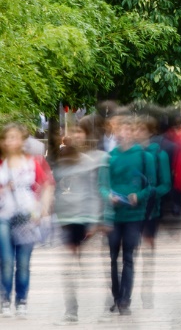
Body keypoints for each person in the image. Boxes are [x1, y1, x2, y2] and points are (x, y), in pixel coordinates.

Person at [99, 113, 155, 316]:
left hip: (134, 215)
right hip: (114, 215)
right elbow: (102, 186)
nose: (123, 133)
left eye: (128, 130)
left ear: (133, 133)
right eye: (120, 130)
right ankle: (116, 295)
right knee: (113, 258)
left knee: (129, 257)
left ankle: (125, 300)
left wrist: (138, 196)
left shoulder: (144, 157)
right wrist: (108, 196)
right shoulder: (110, 157)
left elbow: (150, 186)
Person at [0, 123, 55, 318]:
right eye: (7, 137)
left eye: (14, 137)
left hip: (27, 216)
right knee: (6, 260)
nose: (10, 141)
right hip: (3, 217)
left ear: (23, 141)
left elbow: (47, 185)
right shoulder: (1, 164)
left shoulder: (34, 162)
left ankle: (21, 300)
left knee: (23, 262)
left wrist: (44, 210)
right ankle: (4, 299)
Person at [53, 116, 104, 324]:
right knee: (69, 265)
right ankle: (71, 309)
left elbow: (94, 192)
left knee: (79, 263)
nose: (74, 137)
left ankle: (93, 298)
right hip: (66, 218)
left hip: (84, 217)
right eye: (71, 133)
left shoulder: (89, 162)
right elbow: (55, 189)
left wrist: (93, 221)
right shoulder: (61, 161)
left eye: (78, 133)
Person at [135, 113, 171, 309]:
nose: (137, 133)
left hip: (151, 210)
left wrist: (151, 193)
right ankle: (124, 293)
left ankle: (146, 290)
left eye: (141, 129)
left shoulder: (159, 155)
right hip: (130, 210)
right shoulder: (129, 154)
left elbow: (166, 184)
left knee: (147, 252)